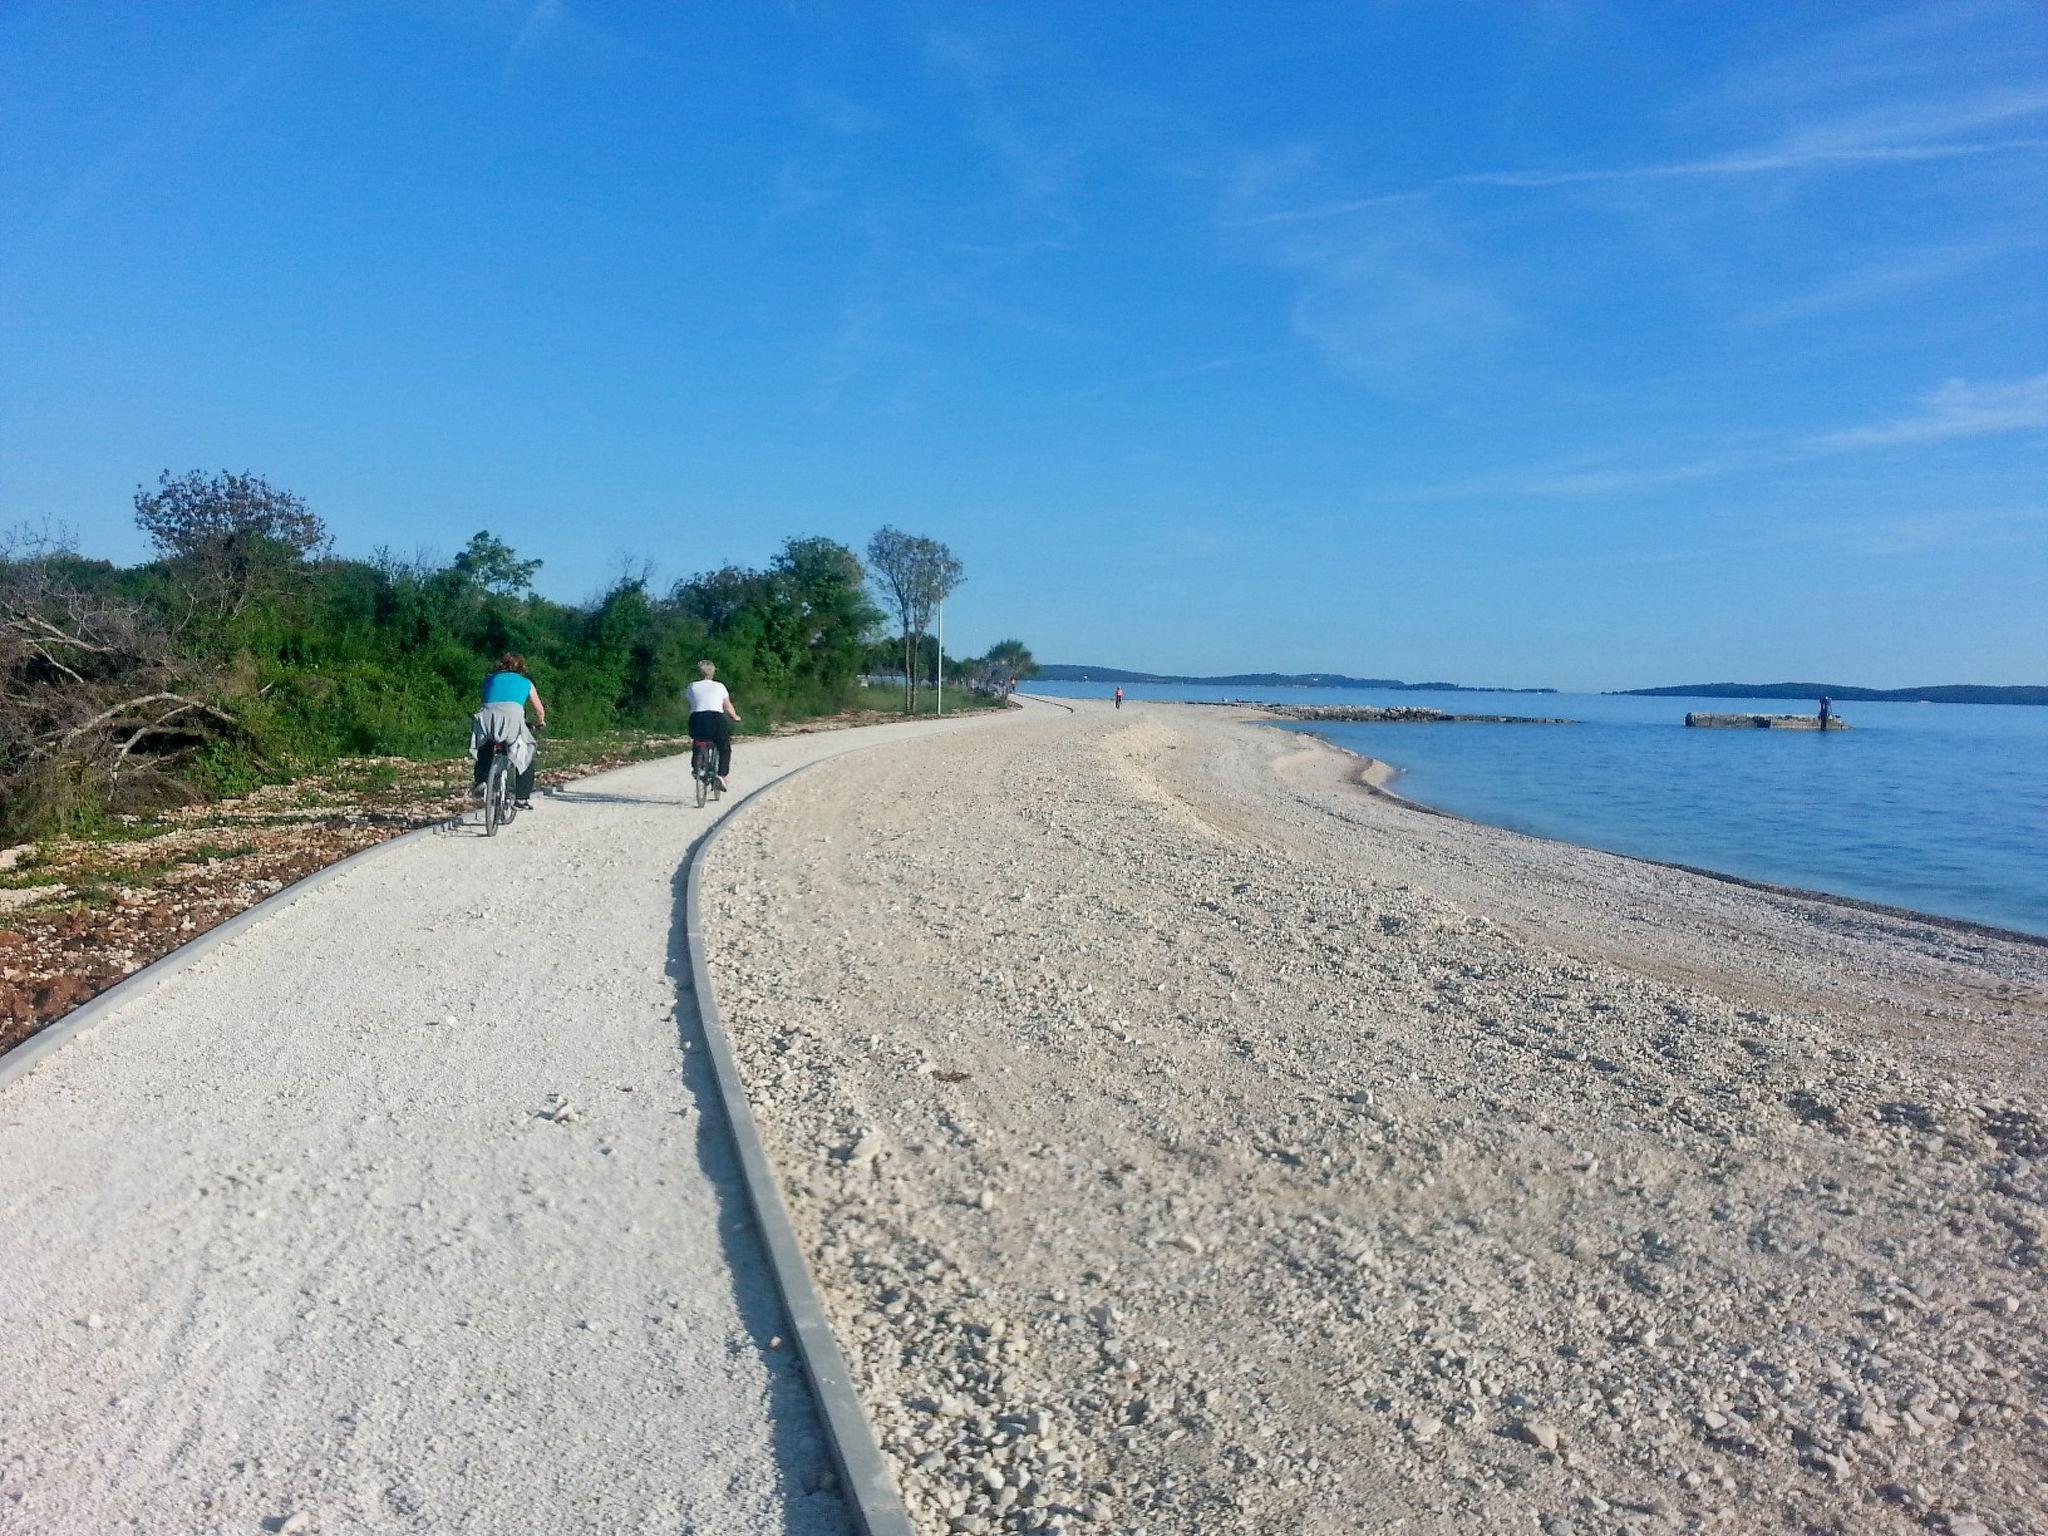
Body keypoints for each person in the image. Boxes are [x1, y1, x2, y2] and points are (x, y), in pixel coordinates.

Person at [471, 653, 545, 809]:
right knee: (525, 755)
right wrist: (539, 722)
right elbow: (539, 711)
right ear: (522, 667)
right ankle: (521, 798)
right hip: (512, 719)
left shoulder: (490, 679)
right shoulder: (526, 683)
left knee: (485, 746)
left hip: (487, 718)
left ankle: (481, 780)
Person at [686, 660, 742, 790]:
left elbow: (691, 701)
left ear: (699, 672)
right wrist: (735, 717)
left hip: (697, 718)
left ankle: (697, 767)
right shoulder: (720, 686)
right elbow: (727, 706)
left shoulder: (692, 686)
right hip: (715, 718)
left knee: (698, 741)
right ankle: (721, 775)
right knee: (724, 747)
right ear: (713, 672)